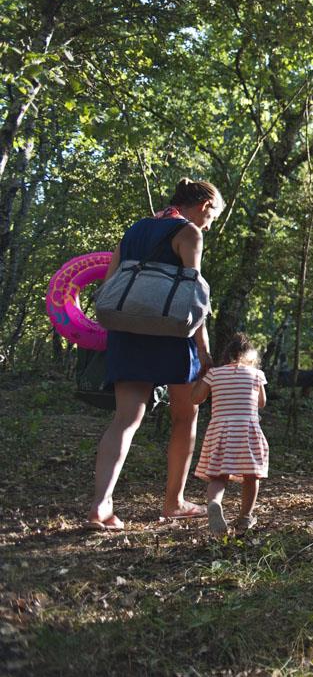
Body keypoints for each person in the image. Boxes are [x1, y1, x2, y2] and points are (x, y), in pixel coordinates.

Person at [88, 178, 224, 531]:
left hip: (128, 332)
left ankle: (101, 505)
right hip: (171, 333)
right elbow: (194, 298)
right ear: (204, 206)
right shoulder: (190, 233)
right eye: (212, 217)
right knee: (185, 416)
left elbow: (110, 283)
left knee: (125, 419)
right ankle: (174, 502)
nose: (209, 225)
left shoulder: (134, 230)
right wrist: (204, 350)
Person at [191, 333, 269, 535]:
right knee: (252, 476)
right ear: (252, 358)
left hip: (221, 431)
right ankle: (245, 517)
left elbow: (196, 398)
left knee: (218, 476)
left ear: (226, 356)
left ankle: (214, 503)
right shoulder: (256, 375)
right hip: (247, 432)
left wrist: (201, 376)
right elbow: (261, 403)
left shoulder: (214, 374)